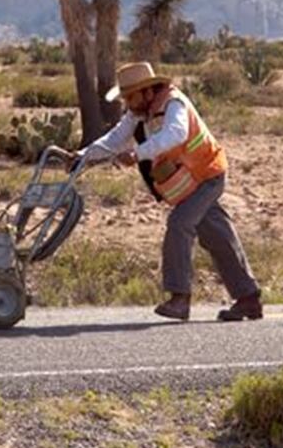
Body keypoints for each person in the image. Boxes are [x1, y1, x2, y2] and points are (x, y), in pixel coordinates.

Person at [72, 62, 262, 322]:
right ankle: (249, 299)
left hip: (208, 174)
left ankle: (180, 298)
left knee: (179, 224)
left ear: (147, 91)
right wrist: (81, 156)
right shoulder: (140, 112)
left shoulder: (174, 103)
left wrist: (138, 153)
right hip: (190, 181)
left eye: (130, 96)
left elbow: (176, 134)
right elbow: (115, 139)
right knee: (218, 235)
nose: (128, 103)